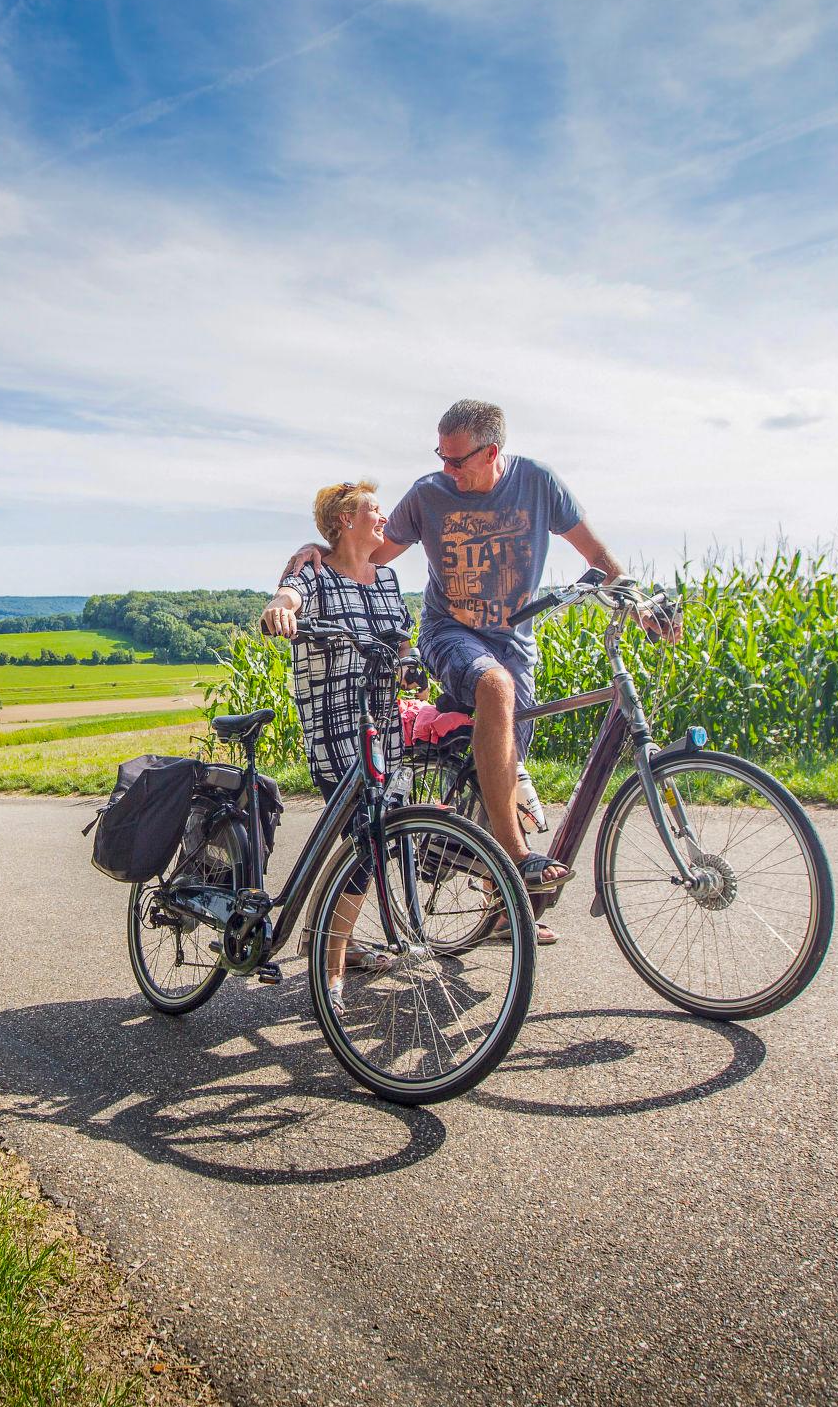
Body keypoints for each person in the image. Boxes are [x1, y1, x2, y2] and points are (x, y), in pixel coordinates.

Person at [287, 399, 655, 942]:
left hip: (515, 642)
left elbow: (596, 555)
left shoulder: (537, 483)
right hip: (448, 632)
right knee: (493, 686)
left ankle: (501, 910)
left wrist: (636, 599)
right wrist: (316, 549)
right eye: (441, 456)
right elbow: (367, 554)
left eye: (457, 460)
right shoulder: (429, 494)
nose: (447, 469)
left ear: (493, 452)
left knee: (501, 769)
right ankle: (513, 857)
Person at [260, 478, 410, 1011]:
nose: (383, 517)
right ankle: (332, 967)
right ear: (346, 521)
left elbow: (401, 637)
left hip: (383, 724)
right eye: (374, 510)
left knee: (380, 837)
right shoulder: (315, 573)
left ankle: (324, 934)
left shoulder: (388, 578)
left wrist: (410, 663)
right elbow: (289, 593)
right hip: (336, 723)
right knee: (365, 841)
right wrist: (282, 606)